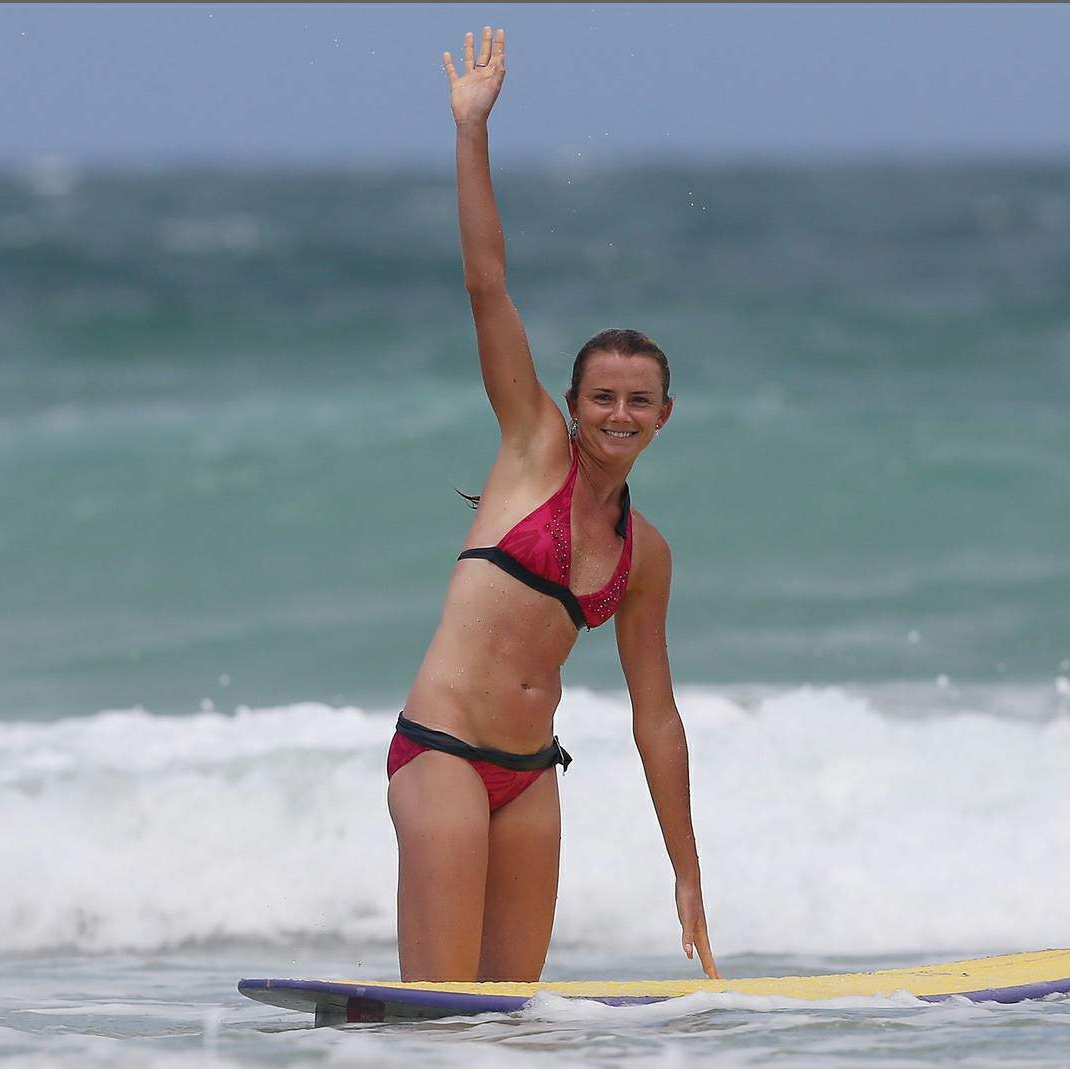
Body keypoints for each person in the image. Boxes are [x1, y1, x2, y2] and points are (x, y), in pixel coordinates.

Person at [383, 25, 720, 984]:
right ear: (570, 405)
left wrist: (687, 873)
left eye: (639, 400)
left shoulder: (645, 554)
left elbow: (658, 718)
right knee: (443, 1015)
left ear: (664, 415)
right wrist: (472, 130)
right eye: (602, 397)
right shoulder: (532, 447)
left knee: (509, 1025)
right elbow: (485, 282)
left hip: (532, 776)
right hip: (442, 751)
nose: (619, 413)